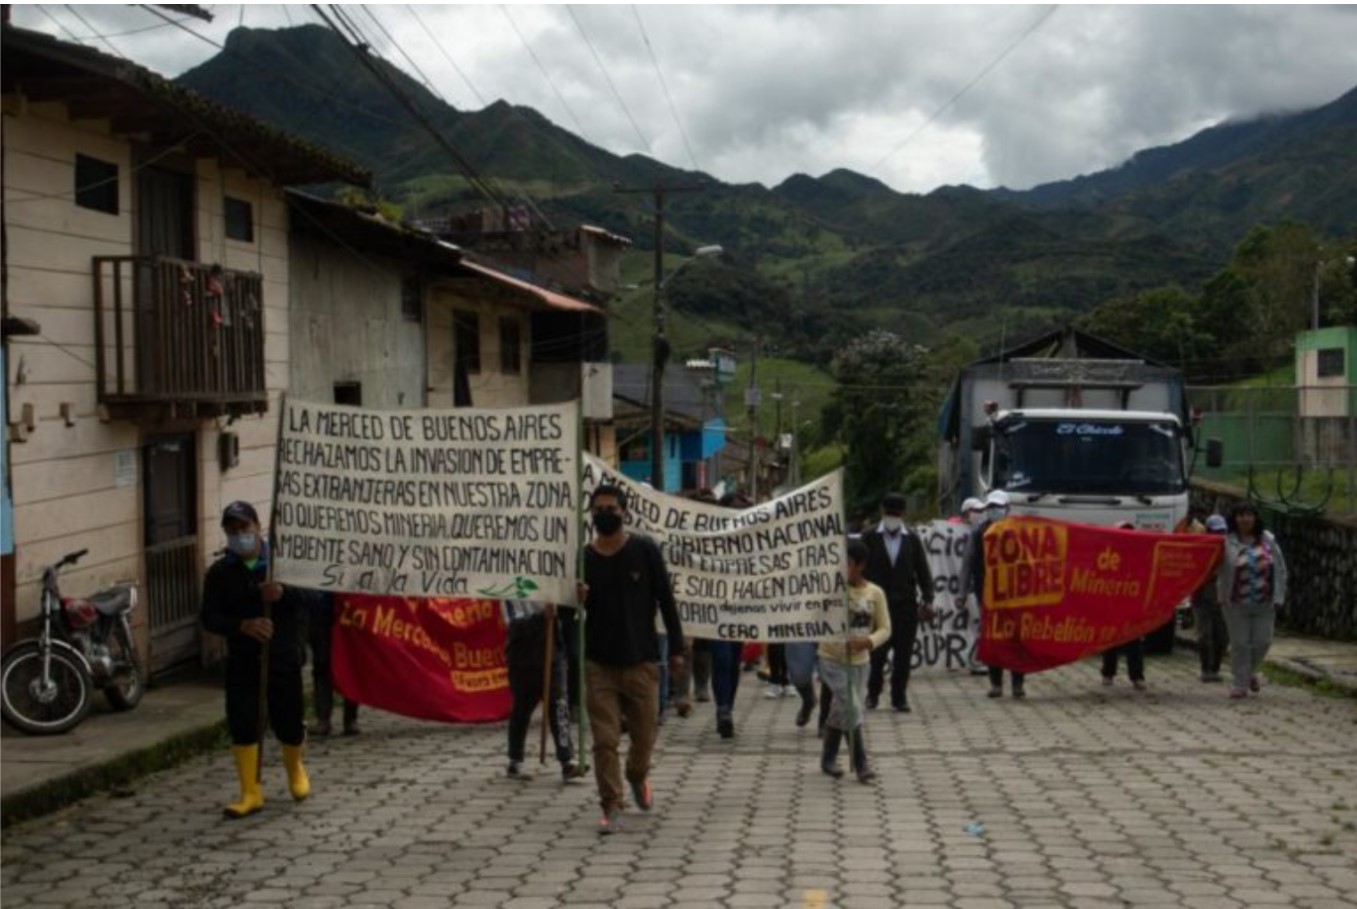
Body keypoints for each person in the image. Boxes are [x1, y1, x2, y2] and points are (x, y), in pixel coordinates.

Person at [579, 484, 685, 834]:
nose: (604, 514)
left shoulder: (644, 551)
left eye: (611, 508)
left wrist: (679, 649)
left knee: (644, 738)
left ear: (624, 512)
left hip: (642, 661)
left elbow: (666, 601)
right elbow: (571, 615)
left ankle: (637, 776)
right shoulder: (584, 559)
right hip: (599, 665)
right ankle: (611, 802)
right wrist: (573, 600)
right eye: (598, 509)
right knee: (604, 740)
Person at [200, 501, 311, 819]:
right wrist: (241, 626)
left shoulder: (282, 563)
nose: (239, 536)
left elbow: (312, 599)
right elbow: (209, 617)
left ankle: (295, 770)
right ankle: (250, 790)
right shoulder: (220, 573)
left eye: (244, 529)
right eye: (232, 531)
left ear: (258, 527)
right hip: (243, 659)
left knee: (288, 719)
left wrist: (284, 593)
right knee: (243, 722)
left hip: (283, 657)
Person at [820, 539, 891, 784]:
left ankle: (827, 758)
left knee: (842, 709)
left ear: (860, 565)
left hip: (861, 662)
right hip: (831, 659)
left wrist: (868, 641)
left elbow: (885, 628)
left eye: (847, 563)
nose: (842, 567)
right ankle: (861, 764)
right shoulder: (830, 590)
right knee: (851, 706)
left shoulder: (875, 593)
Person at [863, 492, 935, 712]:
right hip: (876, 606)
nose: (893, 517)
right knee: (877, 654)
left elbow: (923, 571)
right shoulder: (869, 537)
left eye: (896, 513)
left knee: (903, 655)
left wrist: (928, 599)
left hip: (905, 606)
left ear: (903, 514)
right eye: (889, 512)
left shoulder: (911, 539)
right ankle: (873, 694)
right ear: (883, 512)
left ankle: (899, 697)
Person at [503, 600, 587, 782]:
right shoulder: (510, 591)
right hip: (522, 659)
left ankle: (567, 761)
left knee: (559, 706)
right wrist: (541, 617)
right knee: (522, 709)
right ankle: (515, 759)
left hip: (552, 655)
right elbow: (514, 623)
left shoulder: (551, 586)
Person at [959, 490, 1027, 698]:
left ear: (1007, 509)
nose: (993, 511)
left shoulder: (1019, 532)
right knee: (992, 638)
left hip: (1015, 596)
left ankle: (1017, 684)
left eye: (997, 507)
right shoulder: (978, 533)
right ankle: (996, 683)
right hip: (987, 595)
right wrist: (962, 593)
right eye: (990, 507)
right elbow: (968, 564)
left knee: (1016, 639)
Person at [1218, 502, 1287, 699]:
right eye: (1240, 515)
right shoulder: (1226, 542)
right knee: (1240, 643)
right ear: (1235, 519)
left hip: (1264, 602)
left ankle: (1248, 673)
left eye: (1248, 515)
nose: (1245, 519)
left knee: (1263, 641)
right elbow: (1215, 567)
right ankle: (1240, 684)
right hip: (1235, 603)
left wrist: (1279, 594)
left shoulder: (1268, 540)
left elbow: (1280, 568)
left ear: (1255, 518)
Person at [710, 491, 753, 739]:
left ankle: (727, 707)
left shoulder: (750, 540)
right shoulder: (711, 539)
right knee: (722, 659)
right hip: (715, 611)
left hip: (742, 610)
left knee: (733, 660)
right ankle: (723, 708)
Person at [1101, 522, 1147, 691]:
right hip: (1112, 605)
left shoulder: (1139, 557)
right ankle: (1108, 673)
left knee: (1133, 641)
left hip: (1131, 605)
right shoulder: (1108, 556)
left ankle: (1137, 676)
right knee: (1110, 640)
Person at [308, 592, 360, 736]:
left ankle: (350, 719)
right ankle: (323, 719)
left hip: (351, 613)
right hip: (321, 613)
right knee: (321, 665)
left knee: (351, 666)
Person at [1193, 514, 1231, 682]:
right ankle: (1206, 669)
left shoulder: (1230, 549)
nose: (1220, 535)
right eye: (1216, 532)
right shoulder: (1200, 549)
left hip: (1223, 600)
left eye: (1223, 531)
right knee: (1205, 635)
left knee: (1222, 637)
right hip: (1202, 598)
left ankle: (1215, 668)